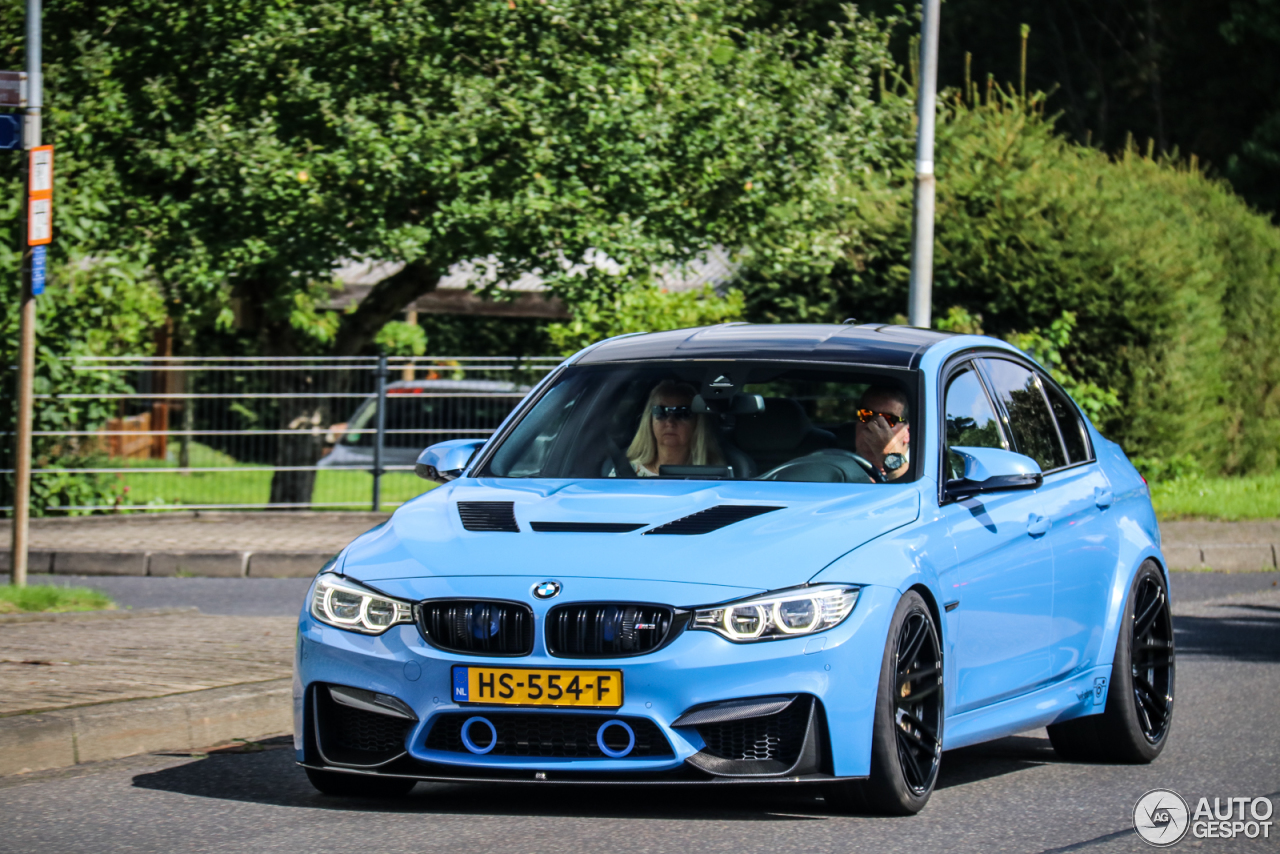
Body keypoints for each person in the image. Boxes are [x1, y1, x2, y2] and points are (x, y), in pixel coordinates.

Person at [619, 380, 724, 477]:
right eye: (661, 412)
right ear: (650, 420)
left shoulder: (714, 475)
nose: (670, 422)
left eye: (682, 413)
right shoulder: (624, 471)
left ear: (697, 423)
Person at [853, 386, 911, 481]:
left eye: (888, 419)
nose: (872, 426)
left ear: (907, 432)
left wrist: (891, 458)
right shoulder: (838, 467)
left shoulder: (922, 471)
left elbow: (908, 492)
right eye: (866, 415)